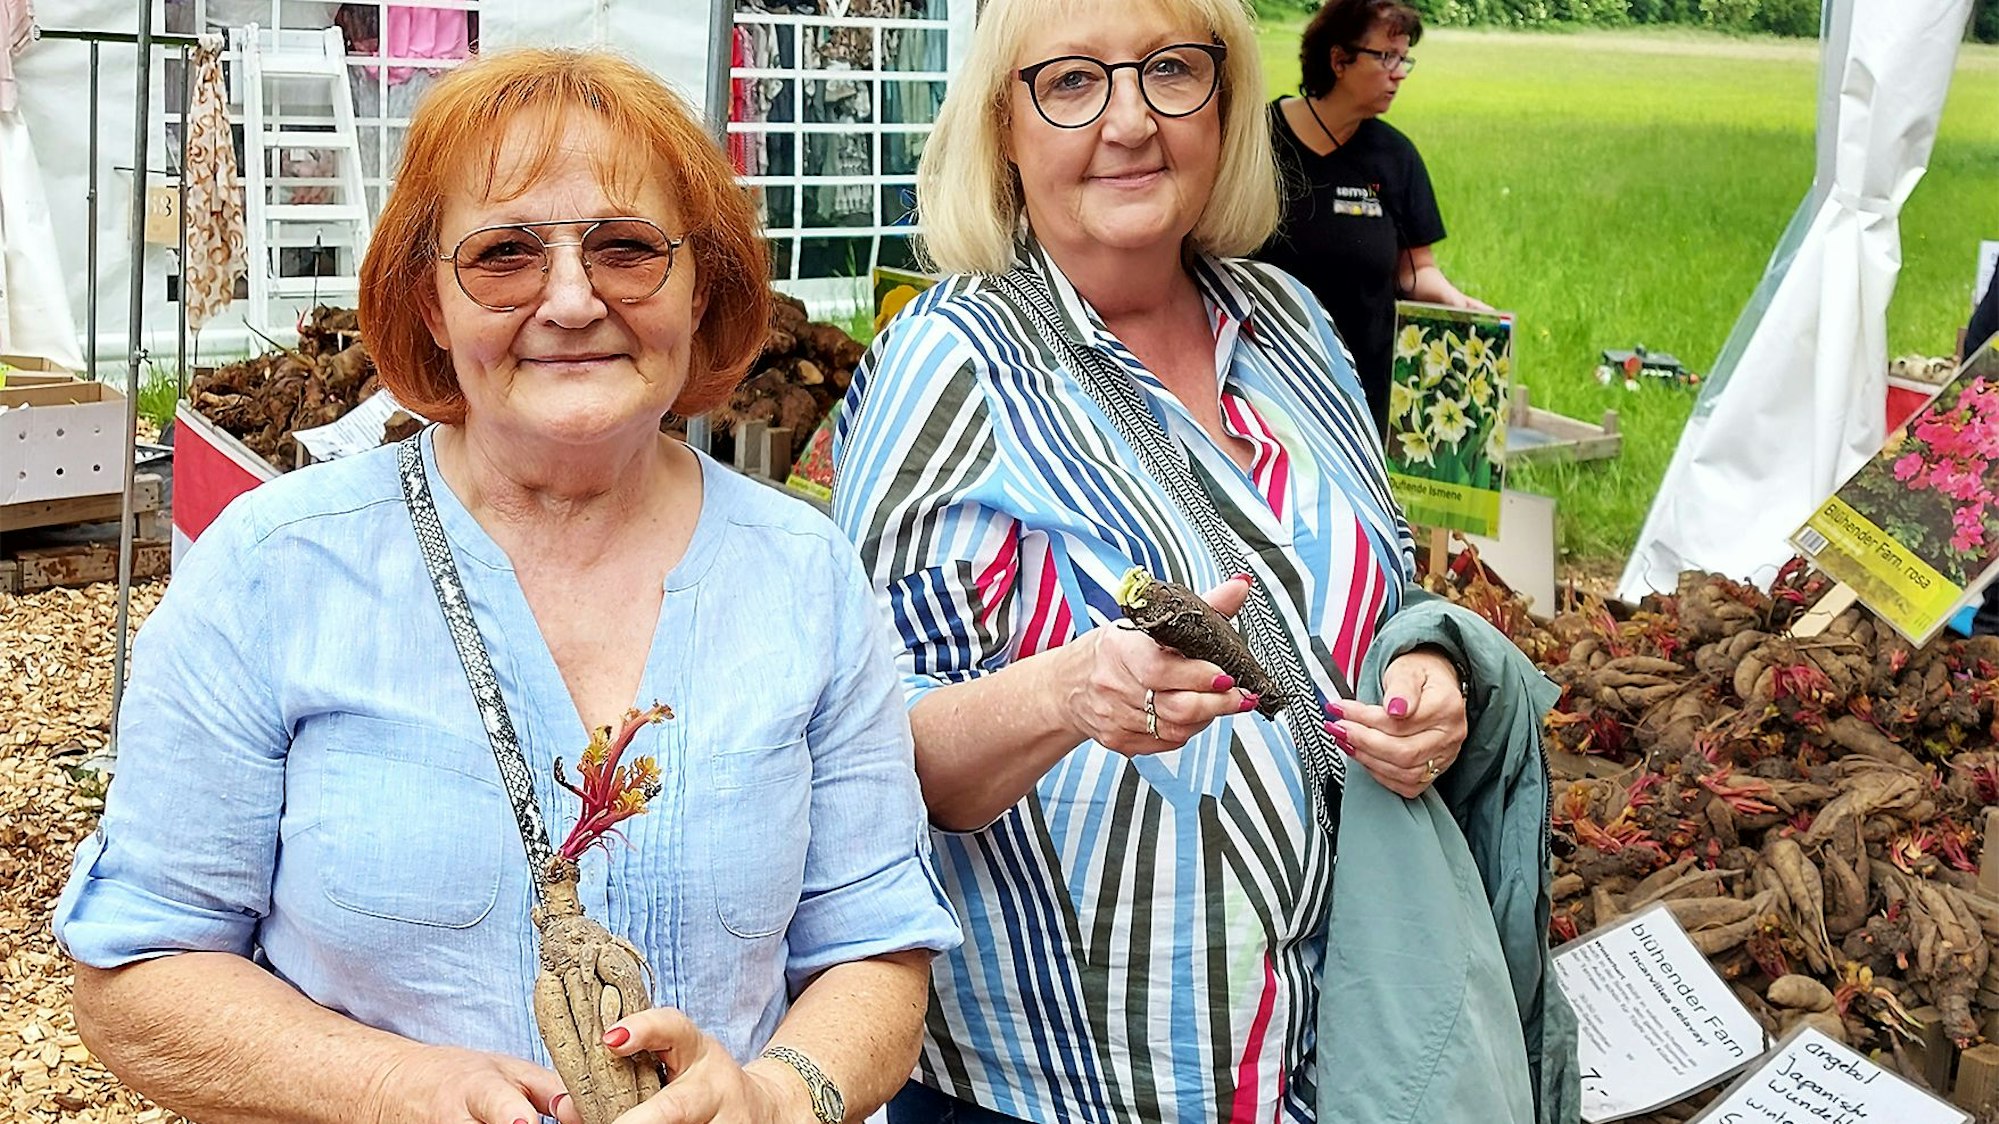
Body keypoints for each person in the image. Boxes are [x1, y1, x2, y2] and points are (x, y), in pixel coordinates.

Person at [55, 49, 959, 1124]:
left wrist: (775, 1096)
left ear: (700, 283)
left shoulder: (803, 575)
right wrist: (397, 1084)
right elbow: (135, 973)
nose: (572, 300)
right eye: (503, 255)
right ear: (429, 303)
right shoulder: (273, 572)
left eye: (627, 249)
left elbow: (875, 953)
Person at [832, 0, 1572, 1121]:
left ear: (1223, 102)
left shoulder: (1290, 324)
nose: (1129, 121)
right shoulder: (949, 358)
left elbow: (1377, 600)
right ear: (1001, 128)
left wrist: (1430, 682)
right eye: (1071, 84)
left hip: (1339, 1045)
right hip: (1073, 1079)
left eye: (1170, 70)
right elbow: (875, 752)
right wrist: (1069, 690)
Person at [1253, 0, 1487, 433]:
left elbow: (1417, 271)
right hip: (1264, 389)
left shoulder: (1396, 158)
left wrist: (1459, 304)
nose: (1399, 72)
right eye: (1386, 57)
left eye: (1404, 59)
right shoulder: (1256, 143)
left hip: (1363, 394)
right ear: (1339, 60)